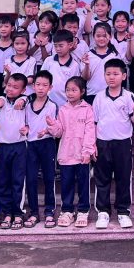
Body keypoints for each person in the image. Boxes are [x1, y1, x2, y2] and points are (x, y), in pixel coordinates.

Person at [92, 58, 134, 230]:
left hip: (122, 143)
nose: (111, 77)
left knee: (123, 178)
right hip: (102, 143)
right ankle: (103, 212)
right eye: (108, 74)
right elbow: (94, 122)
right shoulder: (99, 97)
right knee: (102, 178)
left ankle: (123, 212)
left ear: (124, 76)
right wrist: (93, 144)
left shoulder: (128, 96)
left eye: (115, 74)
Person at [47, 76, 96, 228]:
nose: (70, 93)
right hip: (66, 153)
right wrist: (53, 125)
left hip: (82, 154)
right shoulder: (63, 109)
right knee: (66, 184)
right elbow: (59, 132)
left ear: (82, 92)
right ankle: (67, 211)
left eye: (74, 90)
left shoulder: (88, 109)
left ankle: (83, 210)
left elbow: (90, 131)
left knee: (83, 184)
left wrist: (87, 151)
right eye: (68, 90)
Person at [23, 70, 59, 228]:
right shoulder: (27, 105)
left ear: (50, 87)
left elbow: (57, 128)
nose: (40, 88)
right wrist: (24, 129)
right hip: (31, 145)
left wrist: (47, 130)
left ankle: (49, 212)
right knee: (31, 179)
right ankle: (34, 213)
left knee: (49, 178)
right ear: (33, 86)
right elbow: (25, 124)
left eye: (45, 85)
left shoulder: (52, 106)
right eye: (38, 84)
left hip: (47, 144)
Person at [0, 73, 29, 229]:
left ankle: (18, 213)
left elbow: (26, 100)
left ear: (23, 90)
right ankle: (7, 213)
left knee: (18, 181)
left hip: (19, 146)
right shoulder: (2, 100)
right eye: (9, 85)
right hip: (2, 146)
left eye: (15, 87)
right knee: (3, 181)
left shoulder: (26, 101)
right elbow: (0, 99)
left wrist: (22, 101)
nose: (10, 89)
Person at [41, 29, 83, 107]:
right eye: (55, 46)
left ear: (70, 45)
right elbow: (42, 79)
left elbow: (75, 86)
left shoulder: (75, 65)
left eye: (61, 46)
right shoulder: (49, 60)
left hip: (66, 104)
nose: (58, 49)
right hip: (48, 103)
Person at [84, 22, 121, 103]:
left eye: (104, 36)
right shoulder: (88, 55)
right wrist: (86, 65)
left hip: (112, 94)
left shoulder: (115, 56)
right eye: (98, 36)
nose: (101, 39)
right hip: (92, 94)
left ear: (110, 37)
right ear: (93, 36)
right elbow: (85, 78)